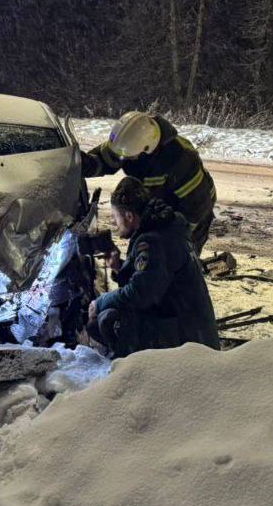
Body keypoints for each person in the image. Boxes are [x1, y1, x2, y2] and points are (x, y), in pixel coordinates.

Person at [86, 177, 221, 358]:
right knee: (116, 310)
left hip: (190, 342)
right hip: (194, 330)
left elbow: (141, 294)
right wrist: (119, 267)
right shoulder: (165, 227)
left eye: (115, 217)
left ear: (129, 216)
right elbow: (152, 280)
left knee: (109, 318)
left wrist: (100, 302)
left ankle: (132, 367)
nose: (114, 223)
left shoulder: (152, 241)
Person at [82, 111, 217, 254]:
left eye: (128, 157)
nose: (123, 160)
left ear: (146, 150)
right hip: (156, 200)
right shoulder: (133, 140)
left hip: (193, 208)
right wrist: (80, 164)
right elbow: (105, 159)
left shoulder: (181, 160)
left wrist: (172, 237)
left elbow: (196, 209)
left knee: (174, 256)